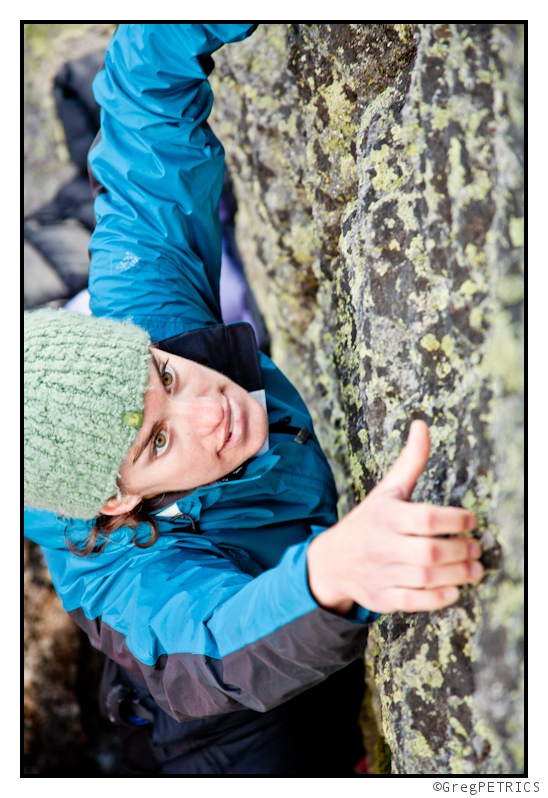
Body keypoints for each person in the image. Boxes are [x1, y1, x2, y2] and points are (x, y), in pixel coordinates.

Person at [24, 24, 483, 776]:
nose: (212, 410)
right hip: (209, 721)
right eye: (157, 444)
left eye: (165, 380)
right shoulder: (128, 581)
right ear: (114, 501)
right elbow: (205, 636)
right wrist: (326, 575)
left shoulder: (149, 323)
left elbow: (145, 129)